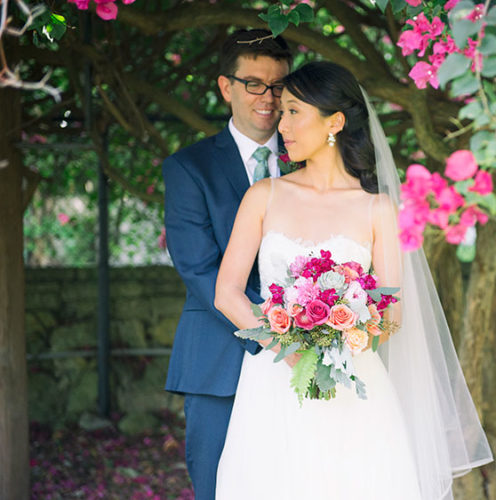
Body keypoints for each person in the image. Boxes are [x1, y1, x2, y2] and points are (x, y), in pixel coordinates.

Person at [214, 61, 493, 500]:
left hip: (353, 385)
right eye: (282, 112)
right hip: (272, 385)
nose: (280, 124)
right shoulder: (264, 196)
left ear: (335, 122)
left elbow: (393, 313)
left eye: (292, 112)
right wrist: (288, 344)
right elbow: (226, 293)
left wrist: (342, 338)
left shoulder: (378, 209)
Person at [161, 29, 292, 500]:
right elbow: (198, 269)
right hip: (219, 359)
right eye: (254, 83)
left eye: (278, 85)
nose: (268, 98)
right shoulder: (188, 168)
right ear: (225, 87)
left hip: (308, 358)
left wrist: (312, 337)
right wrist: (282, 334)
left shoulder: (311, 161)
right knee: (218, 488)